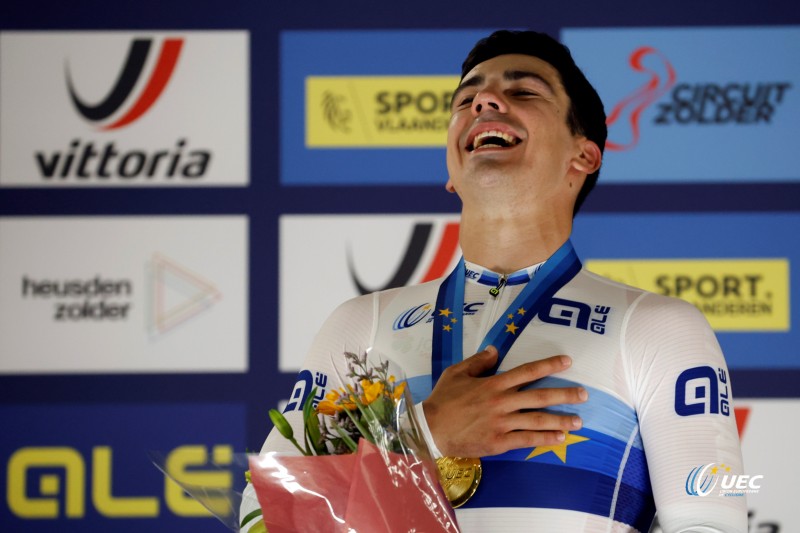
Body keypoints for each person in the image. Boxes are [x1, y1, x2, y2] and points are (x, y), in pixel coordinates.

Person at [241, 30, 746, 532]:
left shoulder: (660, 328)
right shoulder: (360, 325)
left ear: (584, 156)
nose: (484, 100)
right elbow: (259, 520)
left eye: (523, 92)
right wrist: (426, 434)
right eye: (467, 99)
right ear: (451, 170)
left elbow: (713, 522)